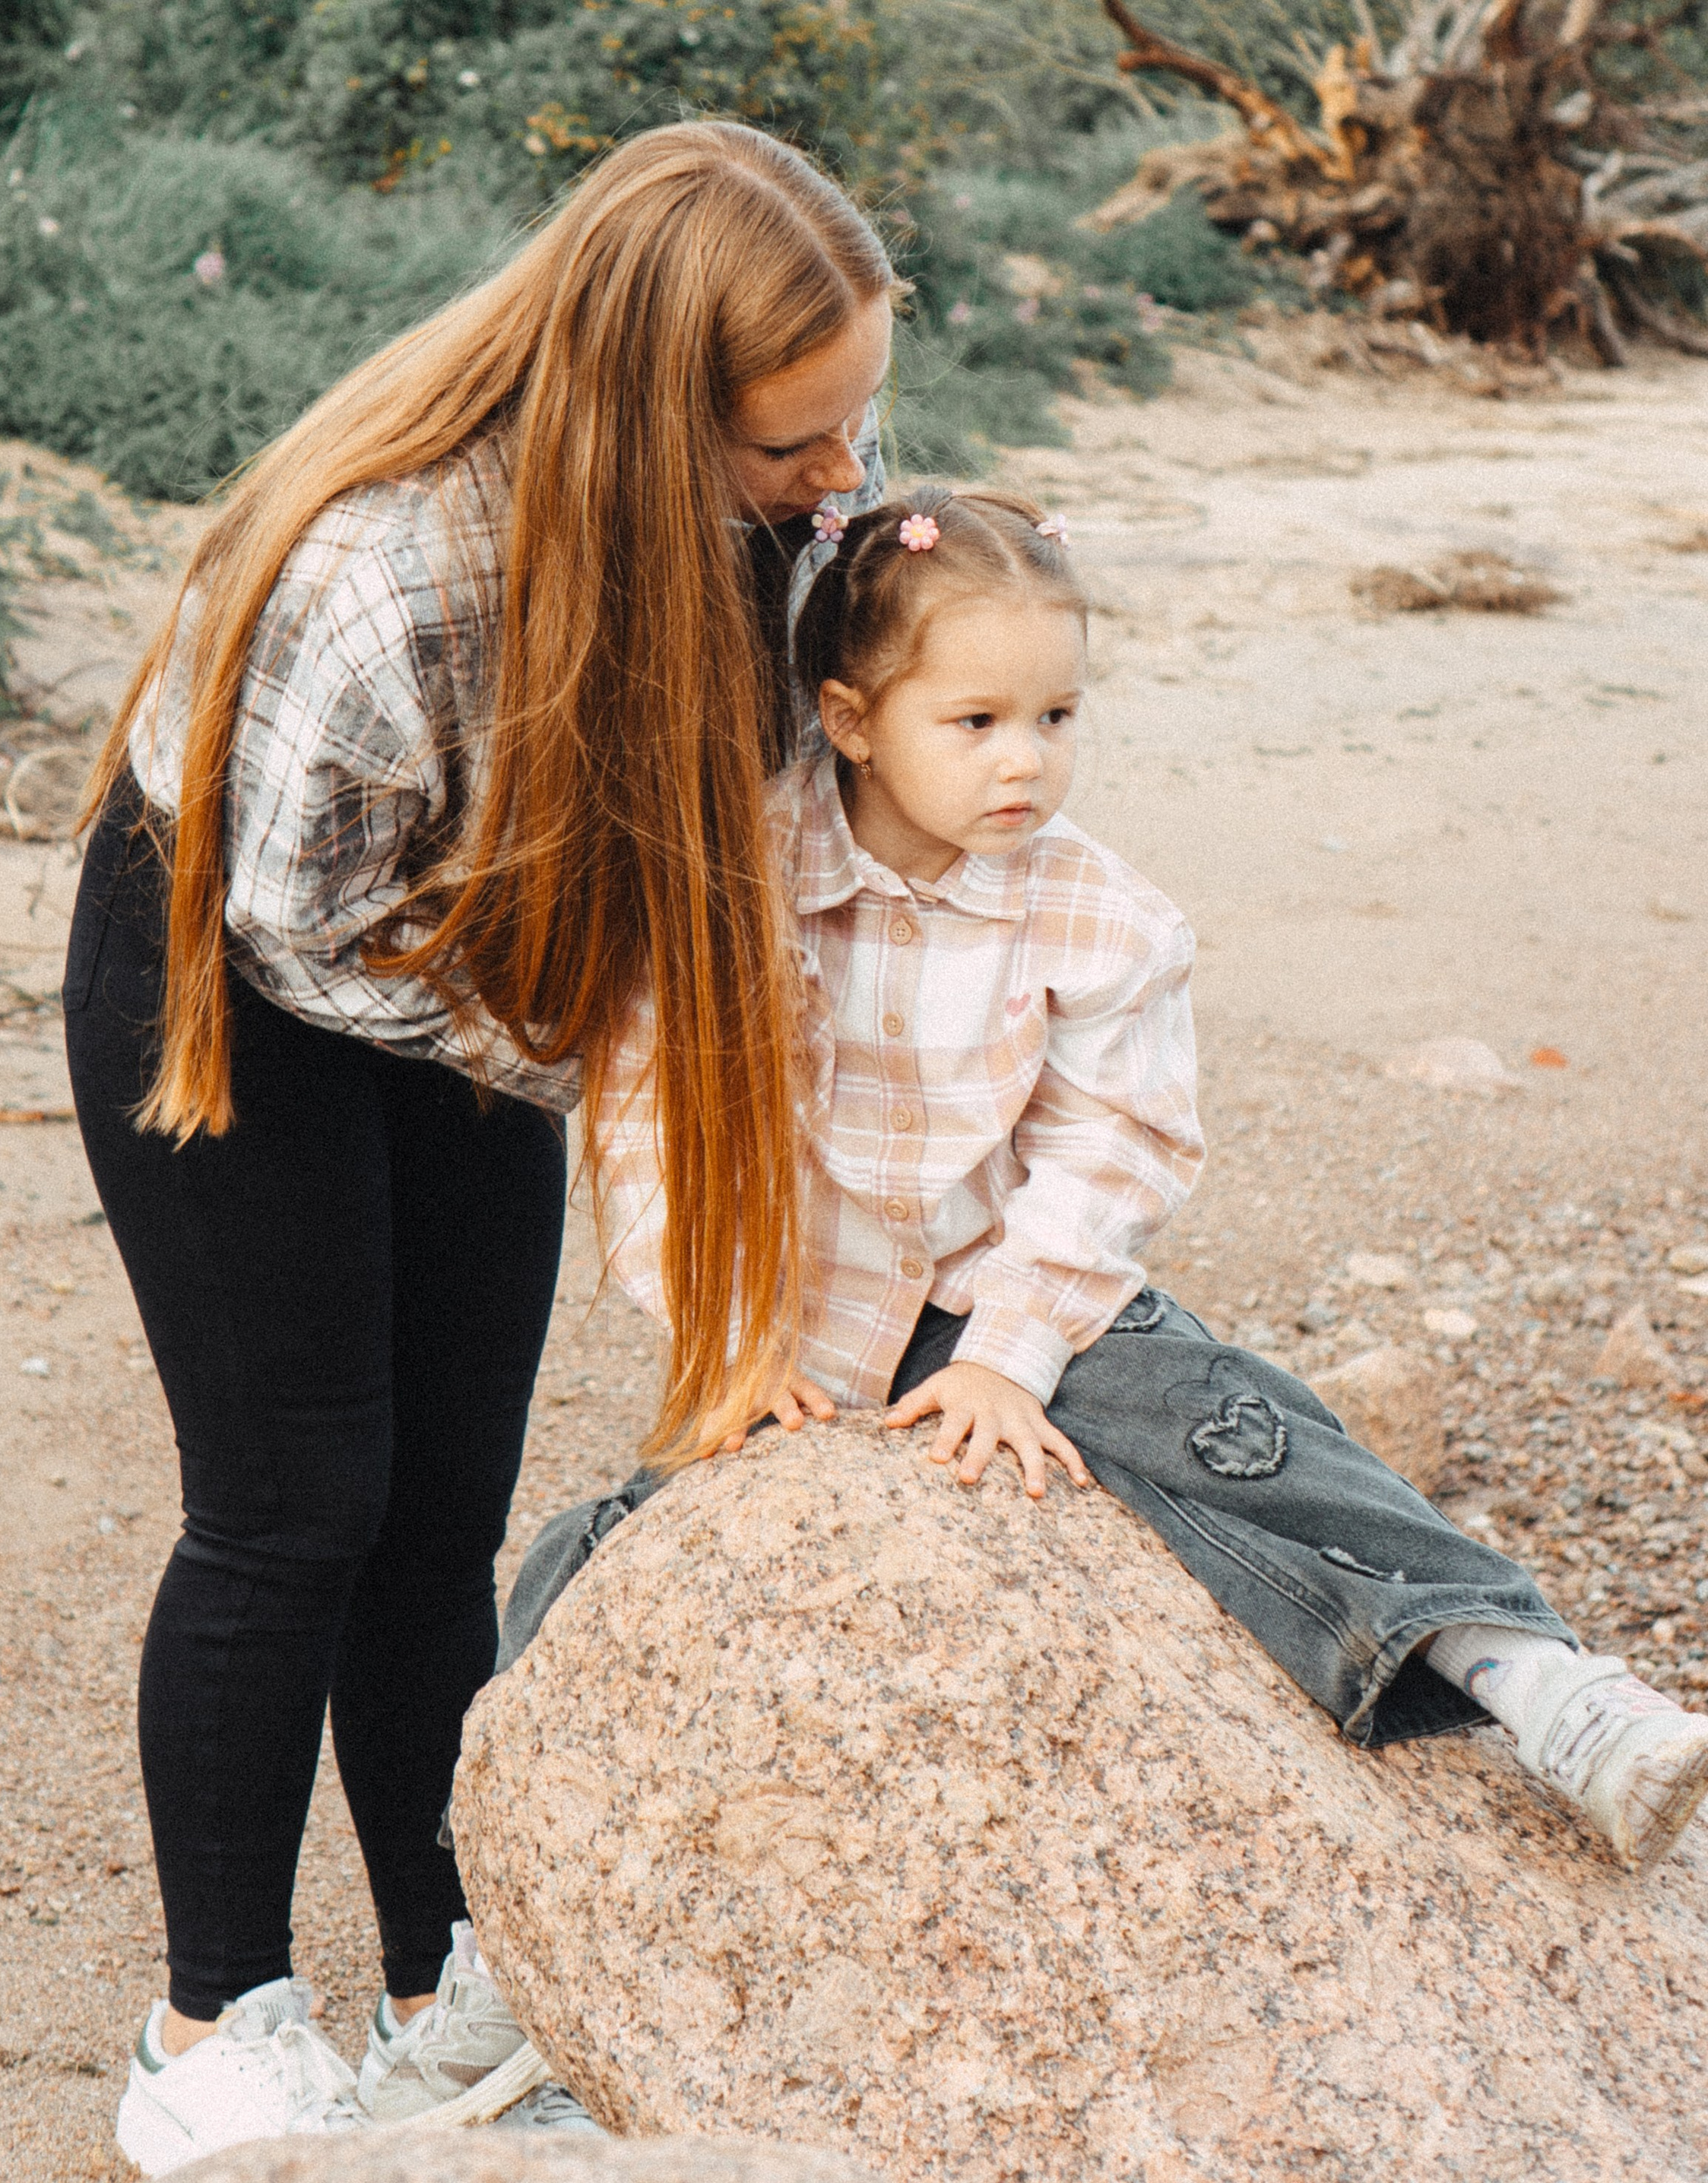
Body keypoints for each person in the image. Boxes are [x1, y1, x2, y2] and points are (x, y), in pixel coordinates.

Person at [61, 121, 900, 2172]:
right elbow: (308, 929)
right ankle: (209, 2025)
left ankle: (440, 1986)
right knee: (296, 1502)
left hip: (496, 962)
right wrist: (611, 1045)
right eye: (795, 442)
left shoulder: (778, 485)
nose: (842, 474)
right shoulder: (392, 569)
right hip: (243, 973)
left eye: (858, 419)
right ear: (655, 414)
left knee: (443, 1510)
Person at [532, 483, 1708, 1874]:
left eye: (1057, 717)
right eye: (976, 723)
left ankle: (1538, 1681)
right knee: (592, 1564)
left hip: (1002, 1292)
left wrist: (1010, 1351)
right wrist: (732, 1335)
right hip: (789, 1325)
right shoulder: (734, 878)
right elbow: (651, 1122)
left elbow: (1112, 1146)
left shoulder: (1099, 915)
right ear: (850, 721)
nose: (1024, 762)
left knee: (1226, 1431)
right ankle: (498, 1926)